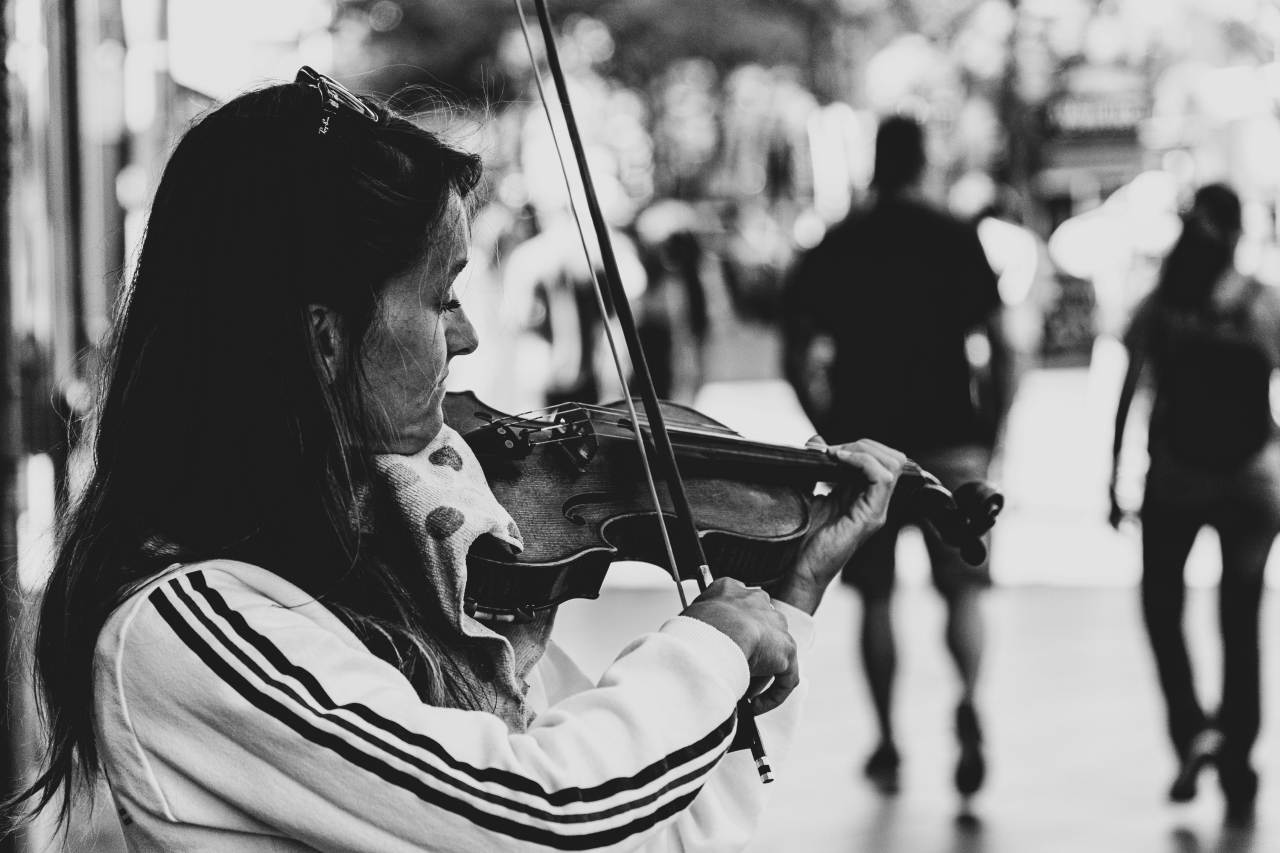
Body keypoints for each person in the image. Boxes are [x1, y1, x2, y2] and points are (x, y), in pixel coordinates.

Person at [2, 71, 908, 851]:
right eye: (444, 298)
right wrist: (707, 642)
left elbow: (638, 829)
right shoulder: (186, 627)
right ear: (323, 338)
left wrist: (783, 607)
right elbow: (536, 812)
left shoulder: (408, 559)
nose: (469, 336)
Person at [782, 115, 1014, 801]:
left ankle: (886, 735)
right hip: (952, 440)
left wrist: (827, 425)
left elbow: (796, 352)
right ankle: (969, 699)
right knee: (962, 586)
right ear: (923, 163)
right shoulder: (956, 236)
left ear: (875, 164)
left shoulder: (838, 244)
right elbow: (1002, 344)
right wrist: (992, 432)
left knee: (875, 595)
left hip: (867, 448)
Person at [1109, 183, 1279, 826]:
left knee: (1161, 606)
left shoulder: (1162, 302)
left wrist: (1111, 474)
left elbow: (1128, 391)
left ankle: (1191, 731)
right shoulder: (1263, 301)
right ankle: (1238, 751)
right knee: (1241, 617)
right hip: (1255, 479)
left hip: (1174, 476)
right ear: (1238, 233)